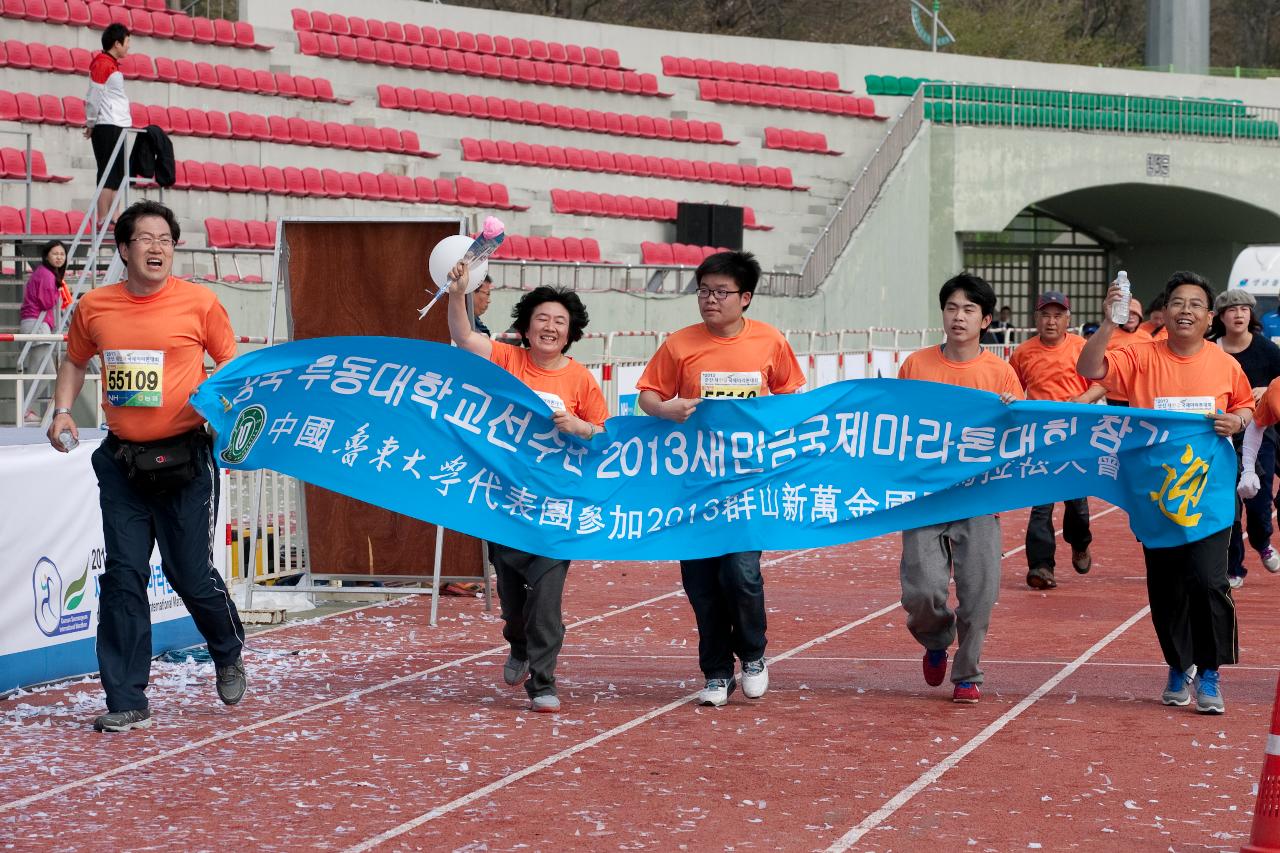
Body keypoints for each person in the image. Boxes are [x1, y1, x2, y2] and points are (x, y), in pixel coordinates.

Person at [46, 200, 246, 732]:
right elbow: (75, 360)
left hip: (186, 460)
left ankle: (226, 649)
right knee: (123, 577)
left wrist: (220, 414)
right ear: (124, 248)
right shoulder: (95, 307)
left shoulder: (199, 304)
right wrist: (63, 410)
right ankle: (126, 697)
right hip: (123, 464)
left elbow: (231, 365)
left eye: (166, 239)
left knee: (191, 575)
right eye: (146, 238)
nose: (157, 247)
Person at [1078, 271, 1252, 715]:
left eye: (1196, 304)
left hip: (1210, 496)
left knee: (1210, 582)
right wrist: (1107, 324)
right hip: (1156, 499)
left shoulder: (1224, 363)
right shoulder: (1138, 357)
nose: (1186, 310)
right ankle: (1179, 664)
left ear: (1209, 316)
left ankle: (1210, 672)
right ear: (1164, 312)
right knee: (1167, 588)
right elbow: (1089, 369)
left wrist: (1237, 421)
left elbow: (1244, 405)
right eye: (1178, 302)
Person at [636, 250, 805, 707]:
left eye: (721, 292)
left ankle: (752, 654)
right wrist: (663, 408)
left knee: (742, 573)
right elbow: (648, 395)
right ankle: (715, 671)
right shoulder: (679, 344)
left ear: (745, 298)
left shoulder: (769, 342)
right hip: (693, 484)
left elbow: (792, 396)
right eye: (704, 291)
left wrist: (774, 423)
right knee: (701, 583)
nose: (710, 300)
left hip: (748, 482)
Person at [446, 263, 608, 714]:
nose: (550, 327)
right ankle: (517, 642)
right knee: (514, 599)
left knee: (548, 600)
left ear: (571, 332)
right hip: (505, 503)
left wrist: (581, 427)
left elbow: (605, 434)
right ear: (526, 326)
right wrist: (458, 294)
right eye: (542, 319)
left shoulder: (580, 379)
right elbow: (464, 338)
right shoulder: (507, 359)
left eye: (559, 321)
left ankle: (543, 681)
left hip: (558, 505)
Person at [897, 273, 1024, 704]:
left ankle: (968, 672)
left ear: (986, 320)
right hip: (925, 498)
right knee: (922, 592)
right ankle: (936, 639)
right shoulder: (916, 366)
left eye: (969, 309)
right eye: (952, 307)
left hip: (979, 498)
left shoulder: (1001, 374)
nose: (958, 316)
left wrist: (1014, 415)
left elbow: (1019, 440)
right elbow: (892, 424)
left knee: (978, 595)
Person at [1008, 291, 1105, 590]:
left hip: (1075, 436)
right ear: (1036, 318)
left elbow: (1103, 382)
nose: (1051, 321)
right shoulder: (1023, 353)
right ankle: (1040, 566)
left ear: (1068, 319)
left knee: (1076, 504)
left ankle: (1080, 543)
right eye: (1045, 315)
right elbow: (1011, 387)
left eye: (1058, 315)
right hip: (1039, 438)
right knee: (1041, 505)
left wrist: (1083, 399)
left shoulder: (1082, 348)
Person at [1208, 288, 1280, 588]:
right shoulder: (1209, 349)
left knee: (1259, 502)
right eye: (1231, 309)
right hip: (1218, 433)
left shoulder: (1267, 350)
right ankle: (1233, 565)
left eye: (1244, 309)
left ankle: (1262, 541)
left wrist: (1266, 388)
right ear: (1220, 317)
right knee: (1228, 503)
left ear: (1251, 315)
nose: (1238, 314)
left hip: (1260, 432)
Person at [20, 239, 71, 424]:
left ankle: (25, 409)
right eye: (55, 254)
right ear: (46, 255)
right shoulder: (46, 275)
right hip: (37, 325)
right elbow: (47, 302)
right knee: (42, 372)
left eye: (62, 254)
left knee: (45, 372)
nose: (59, 257)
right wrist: (59, 292)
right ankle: (23, 410)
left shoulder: (44, 274)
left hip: (38, 325)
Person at [85, 23, 131, 227]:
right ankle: (103, 216)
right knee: (107, 171)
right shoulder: (102, 64)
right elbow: (94, 96)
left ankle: (115, 215)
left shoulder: (111, 64)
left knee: (119, 172)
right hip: (106, 124)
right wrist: (91, 122)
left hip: (118, 124)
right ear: (116, 43)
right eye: (127, 42)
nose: (129, 47)